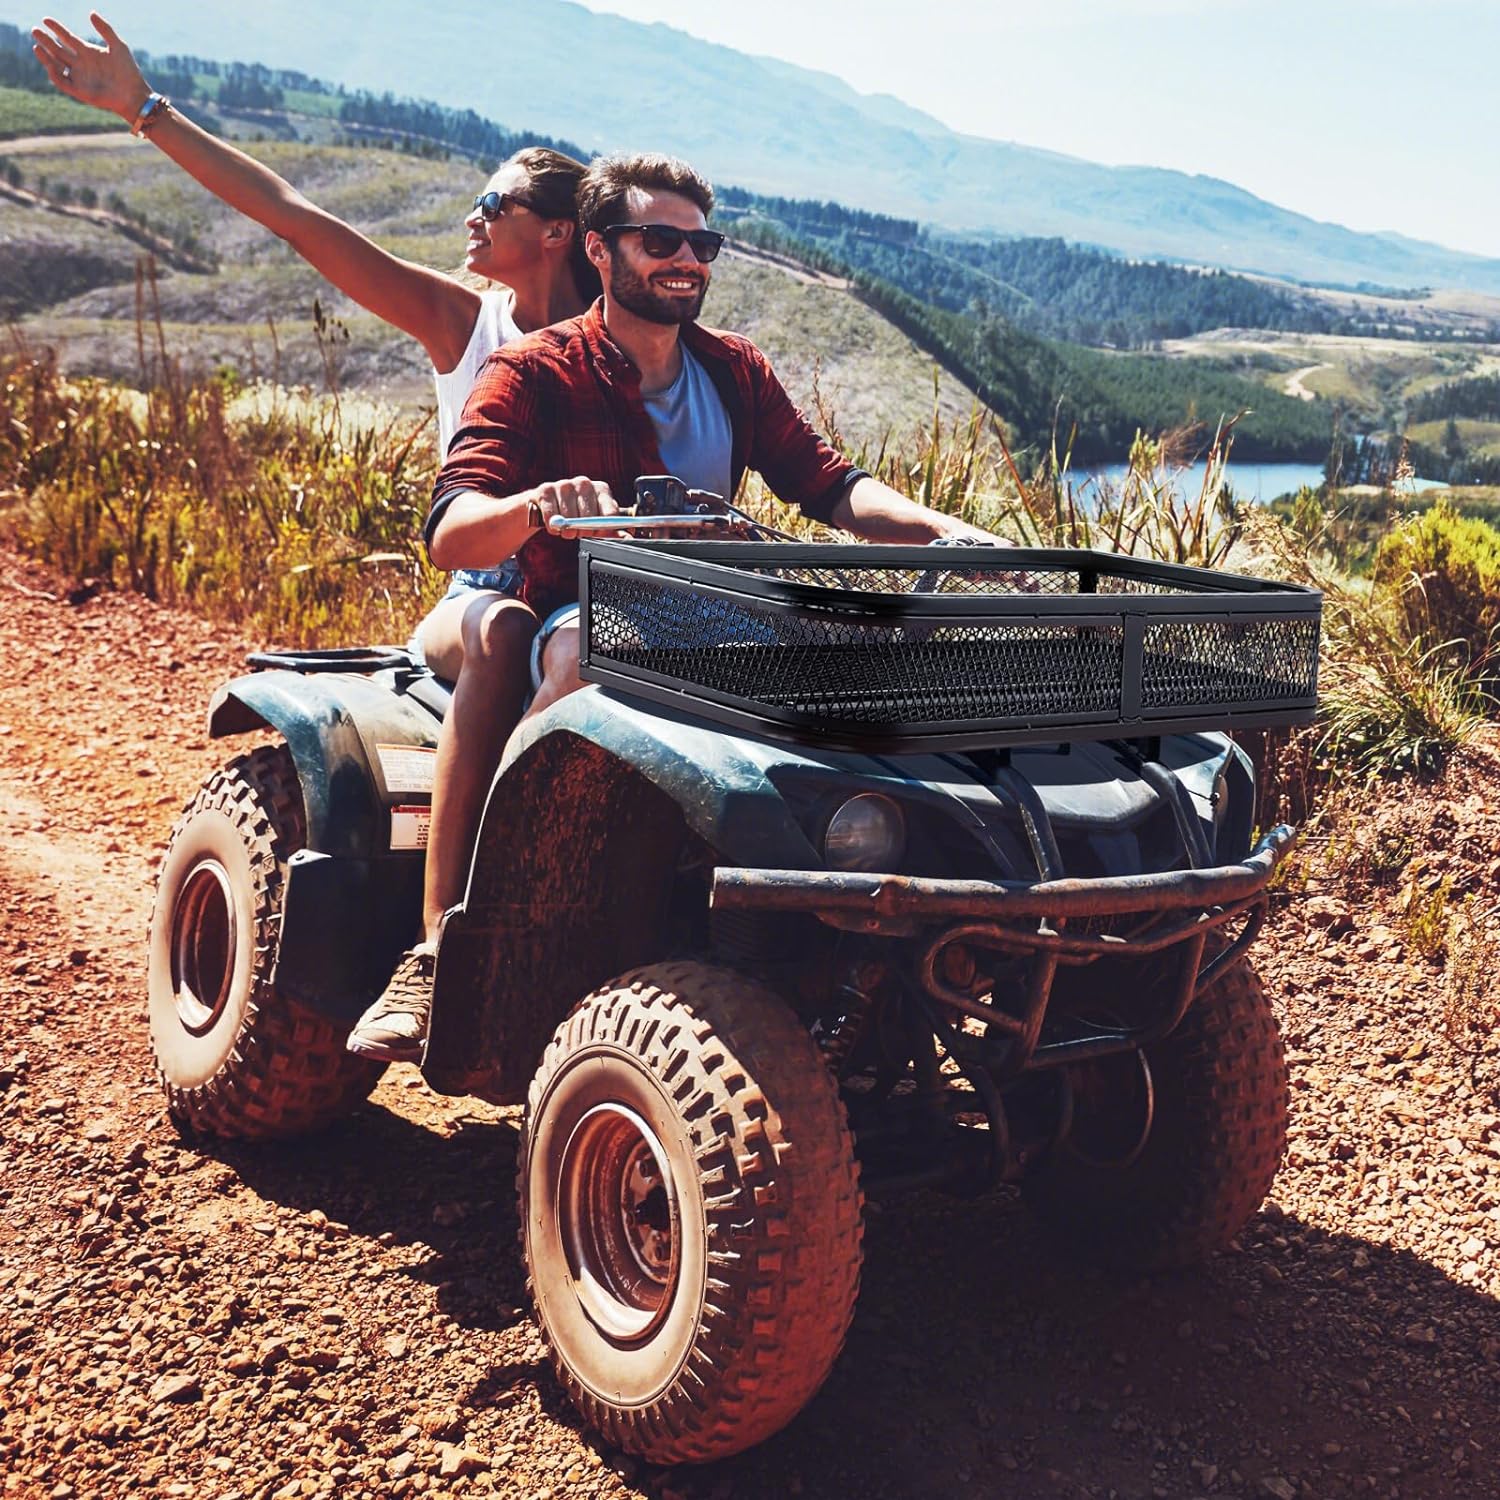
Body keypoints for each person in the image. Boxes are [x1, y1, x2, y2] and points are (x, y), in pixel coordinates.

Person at [344, 150, 1010, 1059]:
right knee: (580, 656)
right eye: (660, 240)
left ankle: (873, 929)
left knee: (867, 666)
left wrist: (946, 532)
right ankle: (471, 933)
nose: (686, 260)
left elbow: (832, 485)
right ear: (599, 248)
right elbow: (453, 530)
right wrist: (534, 506)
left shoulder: (734, 370)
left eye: (703, 244)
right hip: (573, 611)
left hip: (711, 615)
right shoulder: (532, 372)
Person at [32, 13, 600, 1063]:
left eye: (495, 204)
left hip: (595, 599)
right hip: (485, 597)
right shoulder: (465, 327)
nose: (470, 220)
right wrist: (144, 111)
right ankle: (444, 950)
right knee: (507, 631)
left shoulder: (628, 347)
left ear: (557, 231)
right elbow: (297, 219)